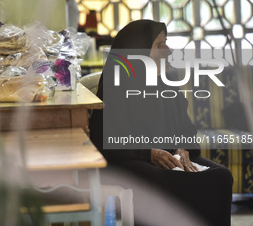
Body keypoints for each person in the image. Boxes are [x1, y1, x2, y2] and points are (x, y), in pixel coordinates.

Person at [89, 20, 233, 226]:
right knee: (174, 182)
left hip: (169, 158)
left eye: (166, 42)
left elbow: (186, 129)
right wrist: (149, 152)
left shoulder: (166, 81)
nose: (168, 50)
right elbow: (101, 139)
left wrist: (182, 150)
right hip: (129, 159)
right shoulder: (116, 81)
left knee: (221, 177)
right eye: (159, 45)